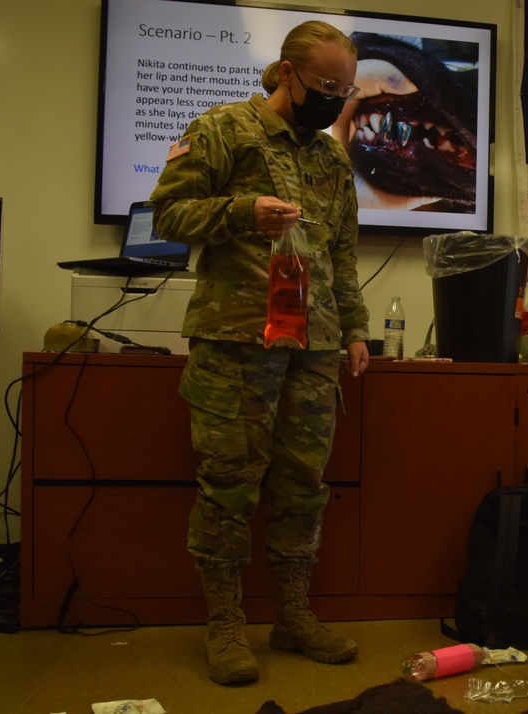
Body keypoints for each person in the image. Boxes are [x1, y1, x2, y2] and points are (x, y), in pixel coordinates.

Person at [150, 20, 370, 686]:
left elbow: (340, 251)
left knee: (303, 485)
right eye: (328, 85)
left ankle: (294, 616)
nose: (337, 97)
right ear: (287, 73)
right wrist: (243, 212)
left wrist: (356, 329)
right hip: (238, 340)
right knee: (230, 482)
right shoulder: (222, 129)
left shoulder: (332, 159)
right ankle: (225, 623)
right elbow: (166, 213)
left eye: (347, 88)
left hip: (314, 345)